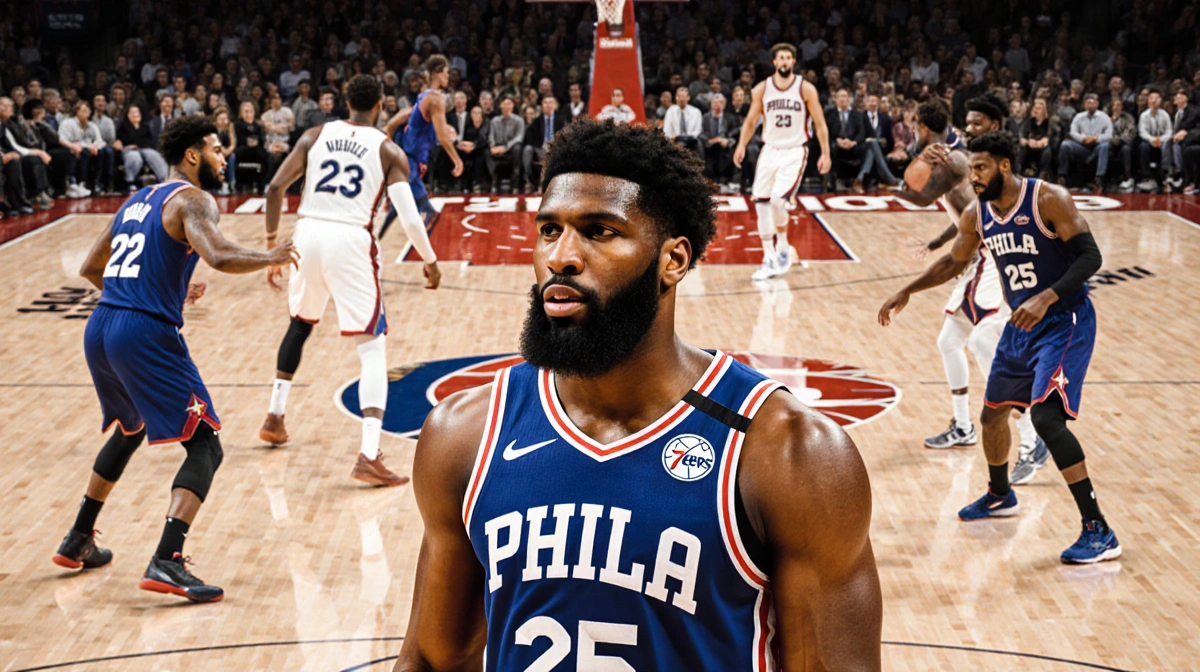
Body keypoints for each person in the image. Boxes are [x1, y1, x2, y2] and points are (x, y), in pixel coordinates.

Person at [391, 117, 882, 671]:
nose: (561, 256)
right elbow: (432, 661)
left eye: (599, 231)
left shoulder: (789, 452)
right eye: (549, 230)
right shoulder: (465, 433)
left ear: (672, 260)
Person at [54, 115, 298, 601]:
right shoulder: (192, 198)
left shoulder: (136, 199)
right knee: (206, 444)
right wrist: (271, 255)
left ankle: (79, 537)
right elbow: (221, 255)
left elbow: (90, 267)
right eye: (215, 149)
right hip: (141, 333)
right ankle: (167, 559)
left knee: (132, 427)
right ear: (192, 156)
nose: (223, 156)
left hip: (102, 326)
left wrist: (150, 293)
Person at [881, 130, 1119, 564]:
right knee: (992, 416)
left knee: (1048, 419)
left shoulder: (1049, 199)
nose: (974, 176)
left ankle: (1098, 529)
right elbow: (955, 260)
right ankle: (1000, 493)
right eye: (971, 169)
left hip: (1064, 321)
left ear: (1005, 166)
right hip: (1020, 326)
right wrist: (908, 290)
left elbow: (1090, 257)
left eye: (982, 168)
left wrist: (1047, 295)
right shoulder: (978, 214)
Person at [258, 75, 441, 486]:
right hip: (350, 240)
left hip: (307, 235)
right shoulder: (389, 150)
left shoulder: (313, 135)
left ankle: (274, 415)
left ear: (345, 101)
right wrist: (429, 261)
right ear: (380, 104)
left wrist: (272, 247)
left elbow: (273, 188)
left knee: (300, 324)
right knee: (372, 347)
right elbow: (410, 217)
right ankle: (369, 454)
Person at [888, 97, 1047, 483]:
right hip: (979, 252)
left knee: (983, 344)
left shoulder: (965, 161)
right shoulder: (962, 157)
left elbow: (927, 196)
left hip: (995, 256)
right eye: (967, 123)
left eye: (977, 124)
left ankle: (1032, 437)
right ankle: (963, 427)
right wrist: (940, 241)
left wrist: (892, 188)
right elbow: (965, 217)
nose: (969, 128)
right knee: (949, 340)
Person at [734, 43, 831, 281]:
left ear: (793, 62)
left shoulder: (805, 89)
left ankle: (784, 246)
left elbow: (819, 123)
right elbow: (750, 121)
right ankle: (769, 257)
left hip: (794, 150)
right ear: (774, 62)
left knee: (778, 201)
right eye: (781, 58)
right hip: (769, 150)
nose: (785, 62)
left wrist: (826, 153)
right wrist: (741, 145)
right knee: (761, 203)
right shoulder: (762, 89)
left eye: (789, 58)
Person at [379, 55, 463, 236]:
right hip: (412, 158)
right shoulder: (436, 99)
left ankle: (377, 239)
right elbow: (442, 138)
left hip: (410, 157)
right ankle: (428, 260)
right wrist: (457, 160)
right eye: (447, 73)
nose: (449, 77)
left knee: (397, 205)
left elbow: (397, 123)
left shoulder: (422, 97)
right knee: (428, 211)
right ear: (438, 73)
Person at [1058, 93, 1112, 193]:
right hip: (1082, 146)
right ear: (1084, 104)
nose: (1090, 104)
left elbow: (1109, 135)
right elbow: (1073, 132)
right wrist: (1083, 138)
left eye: (1093, 102)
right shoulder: (1078, 117)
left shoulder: (1104, 117)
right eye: (1088, 102)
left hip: (1097, 146)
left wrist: (1096, 138)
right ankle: (1062, 176)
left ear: (1097, 104)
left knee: (1105, 145)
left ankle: (1099, 178)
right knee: (1065, 145)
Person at [58, 100, 114, 196]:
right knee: (84, 152)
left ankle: (98, 183)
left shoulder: (92, 125)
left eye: (87, 111)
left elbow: (99, 140)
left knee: (102, 152)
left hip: (87, 148)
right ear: (77, 111)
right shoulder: (67, 123)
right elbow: (62, 140)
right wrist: (75, 146)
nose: (86, 113)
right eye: (83, 111)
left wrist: (95, 147)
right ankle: (79, 182)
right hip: (70, 148)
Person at [116, 105, 168, 191]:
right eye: (133, 112)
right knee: (134, 157)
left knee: (153, 155)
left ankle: (164, 179)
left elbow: (149, 141)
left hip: (143, 149)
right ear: (128, 115)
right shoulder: (122, 127)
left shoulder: (145, 127)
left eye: (137, 112)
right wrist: (127, 146)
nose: (136, 114)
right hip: (129, 150)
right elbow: (119, 143)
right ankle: (130, 181)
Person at [854, 93, 899, 192]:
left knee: (872, 148)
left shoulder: (885, 118)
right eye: (870, 101)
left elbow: (890, 140)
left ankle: (860, 178)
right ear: (866, 103)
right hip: (863, 147)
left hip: (880, 149)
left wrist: (886, 145)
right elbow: (858, 135)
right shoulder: (860, 116)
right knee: (872, 144)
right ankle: (889, 177)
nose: (872, 104)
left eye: (875, 101)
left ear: (878, 103)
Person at [522, 95, 565, 191]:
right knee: (527, 149)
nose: (548, 105)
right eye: (545, 102)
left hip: (556, 149)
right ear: (542, 105)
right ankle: (529, 180)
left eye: (550, 102)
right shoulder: (537, 121)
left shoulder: (561, 120)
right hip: (540, 150)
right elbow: (531, 139)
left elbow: (565, 136)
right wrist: (542, 147)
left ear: (555, 105)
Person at [486, 95, 525, 194]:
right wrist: (492, 147)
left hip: (511, 147)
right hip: (497, 146)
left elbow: (519, 137)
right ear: (500, 106)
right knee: (485, 151)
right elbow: (491, 136)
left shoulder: (519, 120)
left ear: (513, 106)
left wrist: (506, 147)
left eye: (509, 104)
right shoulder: (494, 121)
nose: (506, 106)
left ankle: (515, 183)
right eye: (504, 104)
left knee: (518, 148)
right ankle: (493, 181)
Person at [1137, 89, 1173, 191]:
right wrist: (1152, 140)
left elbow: (1169, 131)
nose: (1154, 100)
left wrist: (1161, 139)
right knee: (1143, 146)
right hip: (1149, 141)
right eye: (1151, 98)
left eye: (1156, 98)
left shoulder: (1165, 114)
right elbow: (1142, 132)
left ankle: (1166, 174)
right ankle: (1146, 177)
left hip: (1162, 141)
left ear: (1160, 100)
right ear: (1148, 100)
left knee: (1168, 144)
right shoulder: (1144, 115)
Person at [700, 92, 737, 187]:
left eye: (720, 102)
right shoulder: (705, 117)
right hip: (710, 145)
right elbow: (701, 134)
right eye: (715, 102)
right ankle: (710, 178)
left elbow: (734, 133)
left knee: (728, 150)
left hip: (724, 145)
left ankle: (725, 179)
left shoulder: (730, 117)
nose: (717, 105)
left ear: (724, 105)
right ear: (711, 104)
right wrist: (711, 141)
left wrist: (727, 140)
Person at [1018, 97, 1057, 179]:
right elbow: (1022, 136)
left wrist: (1043, 142)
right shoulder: (1029, 121)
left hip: (1043, 147)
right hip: (1031, 145)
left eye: (1039, 108)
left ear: (1045, 110)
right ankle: (1018, 172)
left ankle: (1043, 173)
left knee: (1047, 151)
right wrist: (1028, 142)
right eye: (1035, 108)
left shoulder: (1050, 123)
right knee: (1021, 149)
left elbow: (1052, 137)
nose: (1036, 110)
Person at [662, 86, 703, 160]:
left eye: (683, 97)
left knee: (699, 144)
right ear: (675, 98)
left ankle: (699, 168)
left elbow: (698, 130)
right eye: (679, 96)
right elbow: (666, 130)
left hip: (691, 140)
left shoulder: (696, 112)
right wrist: (672, 138)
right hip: (675, 139)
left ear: (688, 98)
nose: (681, 99)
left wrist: (687, 139)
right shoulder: (670, 111)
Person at [212, 108, 237, 193]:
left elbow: (233, 143)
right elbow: (216, 144)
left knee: (232, 157)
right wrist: (223, 152)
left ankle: (232, 183)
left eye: (225, 118)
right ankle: (221, 183)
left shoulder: (230, 127)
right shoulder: (213, 129)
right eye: (221, 119)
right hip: (215, 151)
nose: (223, 121)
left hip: (227, 152)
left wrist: (228, 151)